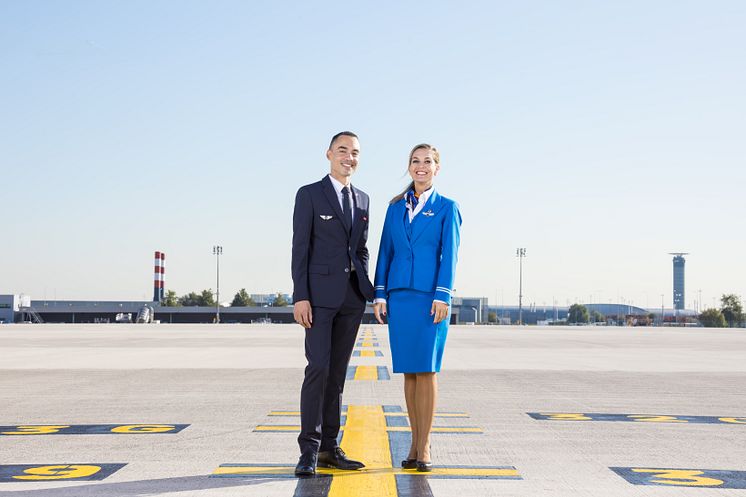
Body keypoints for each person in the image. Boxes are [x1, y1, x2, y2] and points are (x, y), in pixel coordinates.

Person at [373, 143, 462, 472]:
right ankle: (413, 442)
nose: (421, 166)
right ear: (408, 167)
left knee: (427, 370)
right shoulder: (395, 208)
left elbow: (450, 255)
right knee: (409, 372)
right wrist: (380, 293)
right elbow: (385, 251)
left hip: (429, 299)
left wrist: (443, 294)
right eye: (415, 161)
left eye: (428, 162)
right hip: (400, 297)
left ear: (437, 168)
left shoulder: (447, 208)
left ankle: (424, 446)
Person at [291, 131, 375, 477]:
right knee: (318, 369)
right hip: (318, 299)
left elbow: (361, 249)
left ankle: (329, 446)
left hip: (351, 299)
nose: (349, 157)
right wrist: (300, 295)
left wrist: (368, 289)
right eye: (343, 150)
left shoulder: (364, 200)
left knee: (337, 376)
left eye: (355, 152)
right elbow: (300, 247)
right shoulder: (310, 194)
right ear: (329, 154)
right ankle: (308, 449)